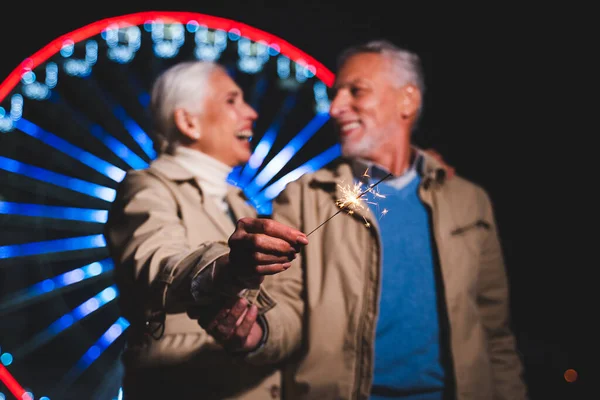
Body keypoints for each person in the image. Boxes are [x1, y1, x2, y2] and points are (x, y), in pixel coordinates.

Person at [200, 40, 529, 400]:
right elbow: (287, 309)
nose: (336, 107)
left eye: (356, 91)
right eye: (335, 93)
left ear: (407, 100)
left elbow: (494, 332)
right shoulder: (305, 197)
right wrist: (254, 333)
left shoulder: (469, 201)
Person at [103, 60, 308, 399]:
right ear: (188, 122)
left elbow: (278, 309)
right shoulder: (145, 189)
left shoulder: (242, 207)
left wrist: (258, 335)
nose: (252, 113)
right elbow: (158, 263)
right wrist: (226, 268)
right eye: (232, 100)